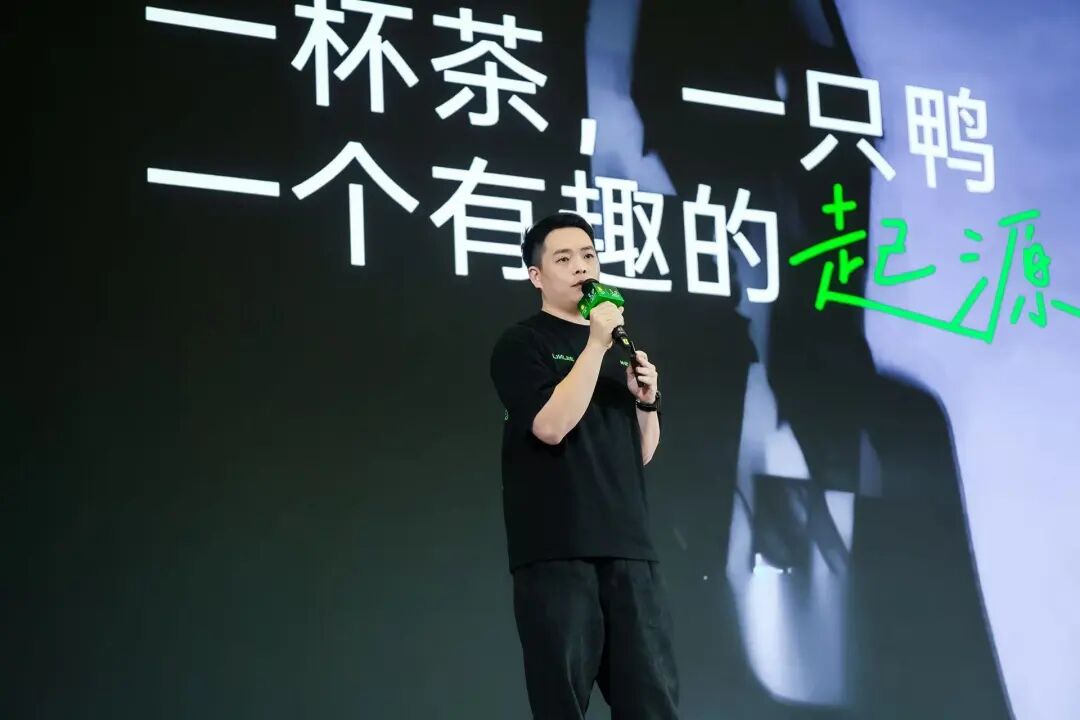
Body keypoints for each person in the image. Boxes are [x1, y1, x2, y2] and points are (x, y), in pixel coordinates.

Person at [489, 212, 679, 718]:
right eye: (564, 258)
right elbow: (550, 426)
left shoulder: (618, 349)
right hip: (558, 551)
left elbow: (638, 455)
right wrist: (595, 344)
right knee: (563, 703)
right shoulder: (523, 343)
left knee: (653, 703)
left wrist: (646, 402)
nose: (581, 267)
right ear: (537, 276)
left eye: (589, 256)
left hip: (629, 552)